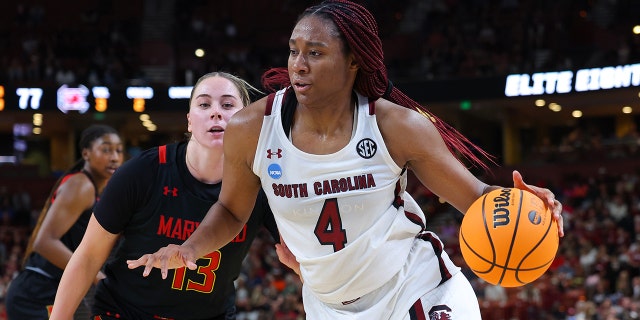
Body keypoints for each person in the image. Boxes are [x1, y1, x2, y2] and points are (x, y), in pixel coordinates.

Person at [127, 1, 565, 319]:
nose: (298, 65)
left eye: (314, 53)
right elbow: (231, 210)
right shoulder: (251, 127)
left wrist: (522, 205)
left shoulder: (397, 127)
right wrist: (188, 250)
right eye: (294, 51)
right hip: (327, 305)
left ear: (353, 60)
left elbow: (476, 198)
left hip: (415, 288)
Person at [50, 72, 279, 320]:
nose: (216, 112)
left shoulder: (262, 183)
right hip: (126, 311)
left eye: (227, 104)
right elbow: (88, 256)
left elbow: (300, 254)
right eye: (204, 104)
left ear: (246, 120)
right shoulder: (142, 172)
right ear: (189, 121)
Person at [6, 124, 124, 319]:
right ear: (86, 153)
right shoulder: (81, 185)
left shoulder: (98, 190)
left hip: (57, 290)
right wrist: (95, 276)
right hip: (37, 293)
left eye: (119, 150)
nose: (114, 157)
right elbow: (44, 243)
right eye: (106, 149)